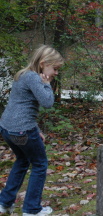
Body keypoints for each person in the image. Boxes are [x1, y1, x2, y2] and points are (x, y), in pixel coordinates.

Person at [0, 45, 64, 215]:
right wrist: (47, 83)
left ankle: (5, 202)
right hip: (22, 131)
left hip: (8, 129)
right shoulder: (35, 78)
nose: (56, 73)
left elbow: (20, 107)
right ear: (43, 63)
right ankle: (31, 209)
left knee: (22, 160)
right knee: (40, 164)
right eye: (55, 68)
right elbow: (47, 102)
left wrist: (36, 129)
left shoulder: (22, 75)